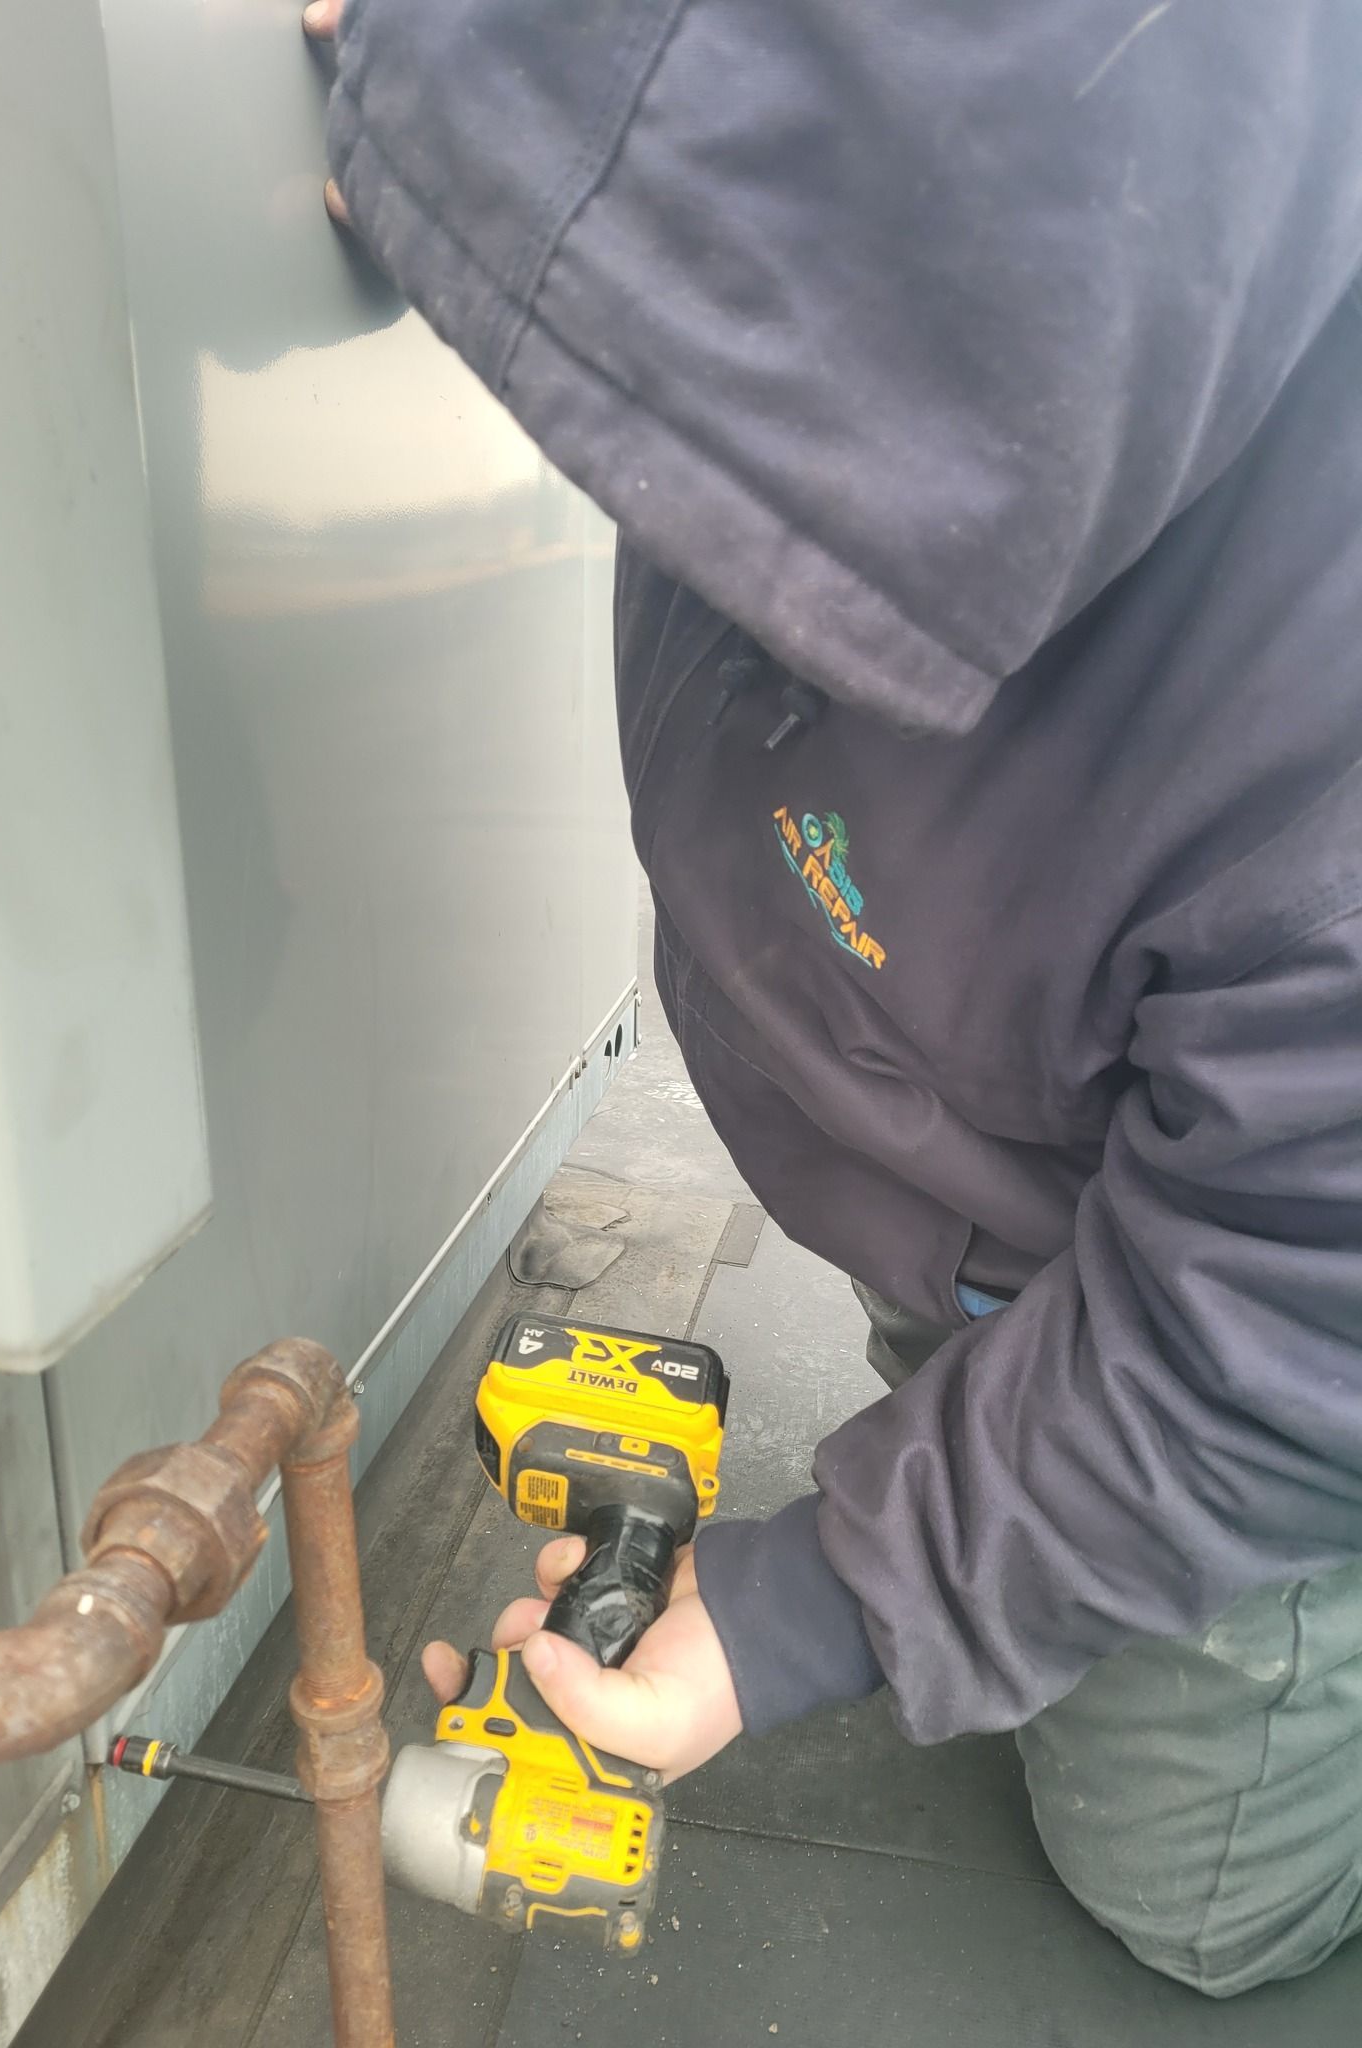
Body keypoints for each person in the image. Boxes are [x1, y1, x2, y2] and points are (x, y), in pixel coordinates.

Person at [302, 0, 1362, 1997]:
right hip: (982, 1201)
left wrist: (822, 1605)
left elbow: (1279, 1320)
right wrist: (498, 177)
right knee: (1023, 1495)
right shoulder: (857, 217)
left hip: (1262, 1320)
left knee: (1190, 1896)